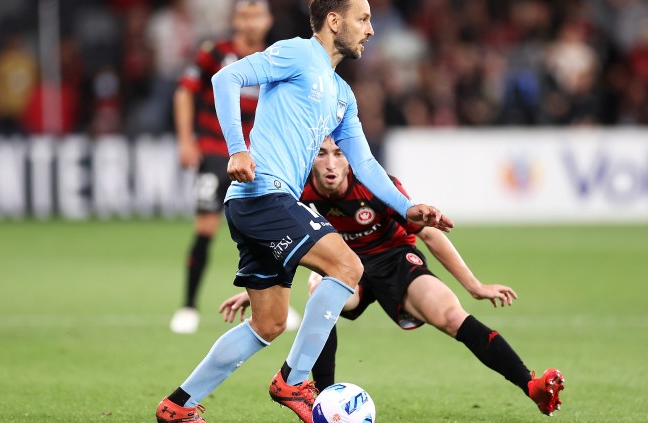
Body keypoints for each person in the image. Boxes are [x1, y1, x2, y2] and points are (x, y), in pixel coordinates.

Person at [155, 1, 454, 422]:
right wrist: (237, 149)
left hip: (263, 204)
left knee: (269, 324)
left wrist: (408, 207)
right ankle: (293, 381)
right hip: (263, 195)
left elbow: (364, 163)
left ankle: (177, 406)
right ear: (334, 21)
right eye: (362, 19)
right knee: (348, 267)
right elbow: (226, 77)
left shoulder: (342, 94)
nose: (370, 30)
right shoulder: (297, 52)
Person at [219, 137, 566, 417]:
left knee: (450, 315)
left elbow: (429, 234)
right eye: (321, 153)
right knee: (321, 289)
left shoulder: (374, 185)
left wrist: (474, 286)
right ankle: (323, 401)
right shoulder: (296, 190)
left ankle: (531, 385)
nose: (330, 163)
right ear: (310, 157)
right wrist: (257, 291)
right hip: (344, 267)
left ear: (350, 159)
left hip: (394, 259)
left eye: (339, 153)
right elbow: (283, 244)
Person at [168, 0, 301, 334]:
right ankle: (188, 306)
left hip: (261, 157)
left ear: (268, 20)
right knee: (205, 228)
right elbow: (184, 93)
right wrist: (185, 140)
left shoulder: (276, 56)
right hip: (216, 153)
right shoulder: (215, 53)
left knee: (272, 231)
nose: (250, 22)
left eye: (257, 15)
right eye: (244, 15)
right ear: (235, 20)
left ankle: (279, 302)